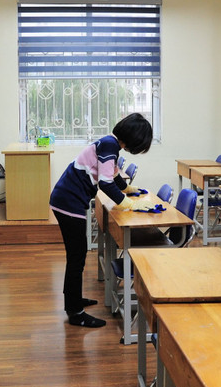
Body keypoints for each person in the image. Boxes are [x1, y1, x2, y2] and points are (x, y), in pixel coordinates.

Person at [50, 113, 154, 328]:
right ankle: (75, 313)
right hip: (69, 203)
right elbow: (106, 184)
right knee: (77, 257)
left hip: (67, 200)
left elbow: (113, 175)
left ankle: (74, 300)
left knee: (76, 255)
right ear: (135, 139)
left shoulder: (109, 143)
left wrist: (127, 189)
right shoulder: (110, 146)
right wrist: (129, 204)